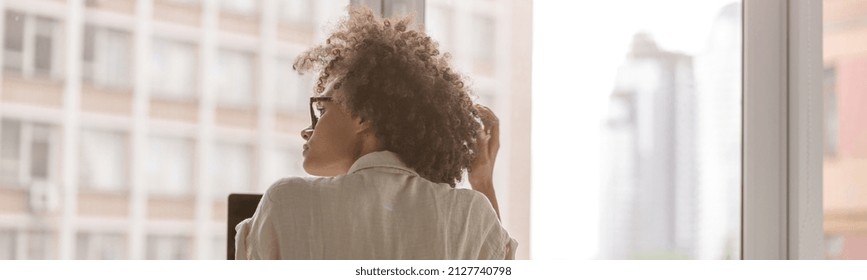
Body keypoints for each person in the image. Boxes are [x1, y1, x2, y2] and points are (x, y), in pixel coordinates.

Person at [234, 6, 515, 260]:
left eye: (321, 109)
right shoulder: (469, 215)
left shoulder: (286, 203)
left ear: (363, 114)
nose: (307, 130)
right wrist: (483, 184)